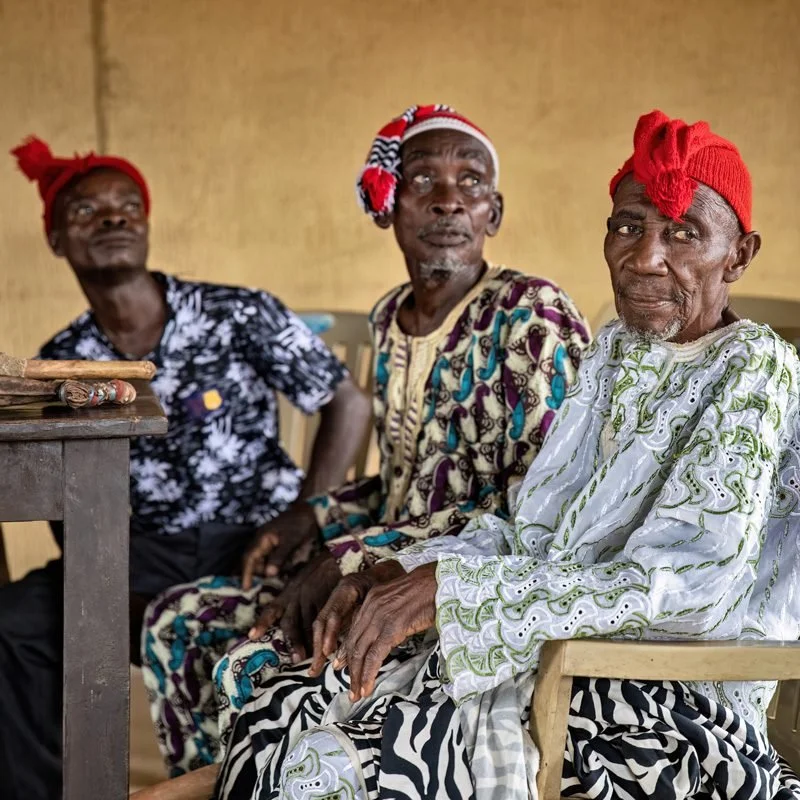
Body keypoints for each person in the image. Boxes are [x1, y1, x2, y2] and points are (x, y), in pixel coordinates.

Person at [214, 109, 800, 800]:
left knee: (347, 762)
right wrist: (406, 568)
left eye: (683, 233)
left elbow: (687, 591)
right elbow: (534, 530)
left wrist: (452, 594)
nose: (645, 256)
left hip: (658, 698)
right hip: (560, 651)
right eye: (627, 226)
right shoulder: (616, 351)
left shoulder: (753, 369)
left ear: (740, 254)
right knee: (277, 699)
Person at [141, 104, 591, 777]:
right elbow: (403, 484)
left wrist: (347, 559)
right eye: (423, 181)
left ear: (494, 214)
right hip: (380, 565)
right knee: (178, 623)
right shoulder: (390, 318)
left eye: (470, 183)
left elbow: (536, 514)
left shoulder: (530, 316)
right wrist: (314, 518)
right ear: (388, 206)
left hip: (461, 593)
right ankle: (225, 784)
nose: (448, 201)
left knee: (257, 661)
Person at [0, 137, 371, 800]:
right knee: (16, 624)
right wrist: (101, 574)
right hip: (133, 555)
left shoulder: (234, 312)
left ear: (145, 224)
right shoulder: (66, 358)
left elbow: (345, 401)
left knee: (266, 632)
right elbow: (66, 487)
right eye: (87, 211)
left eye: (127, 206)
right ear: (56, 239)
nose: (113, 218)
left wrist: (306, 512)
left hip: (257, 543)